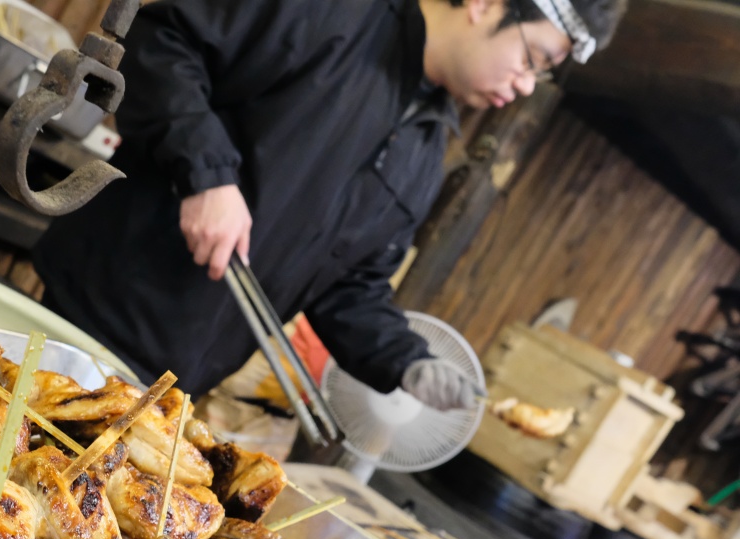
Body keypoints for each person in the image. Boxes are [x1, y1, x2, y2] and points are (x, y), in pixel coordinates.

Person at [31, 0, 627, 410]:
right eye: (533, 60)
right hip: (88, 318)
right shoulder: (338, 13)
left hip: (177, 383)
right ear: (485, 5)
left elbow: (351, 285)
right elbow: (164, 42)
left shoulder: (426, 149)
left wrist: (405, 362)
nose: (525, 85)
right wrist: (208, 176)